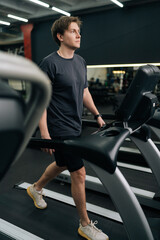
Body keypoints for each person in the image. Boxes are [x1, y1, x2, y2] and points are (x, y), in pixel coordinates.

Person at [27, 16, 109, 240]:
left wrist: (97, 114)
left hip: (75, 124)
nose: (79, 34)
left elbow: (84, 92)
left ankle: (36, 187)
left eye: (78, 31)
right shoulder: (49, 63)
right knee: (79, 173)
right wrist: (44, 132)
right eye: (73, 31)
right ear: (60, 36)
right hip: (58, 127)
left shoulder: (81, 61)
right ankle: (84, 224)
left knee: (62, 163)